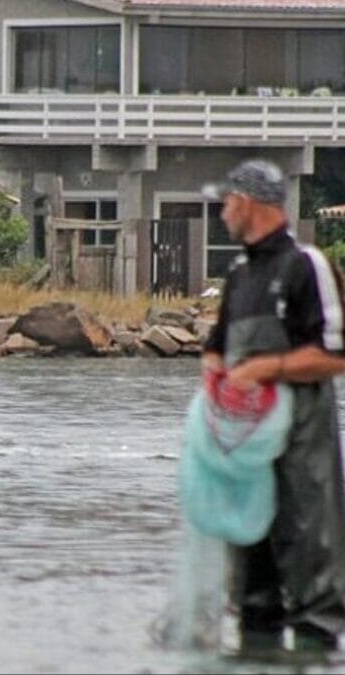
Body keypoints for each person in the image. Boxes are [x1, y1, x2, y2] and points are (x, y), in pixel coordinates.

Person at [201, 158, 345, 652]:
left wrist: (265, 369)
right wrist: (216, 372)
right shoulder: (239, 275)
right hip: (247, 454)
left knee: (313, 587)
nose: (221, 213)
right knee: (252, 593)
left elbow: (334, 355)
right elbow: (217, 348)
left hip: (304, 452)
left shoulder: (307, 265)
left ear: (248, 202)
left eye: (225, 203)